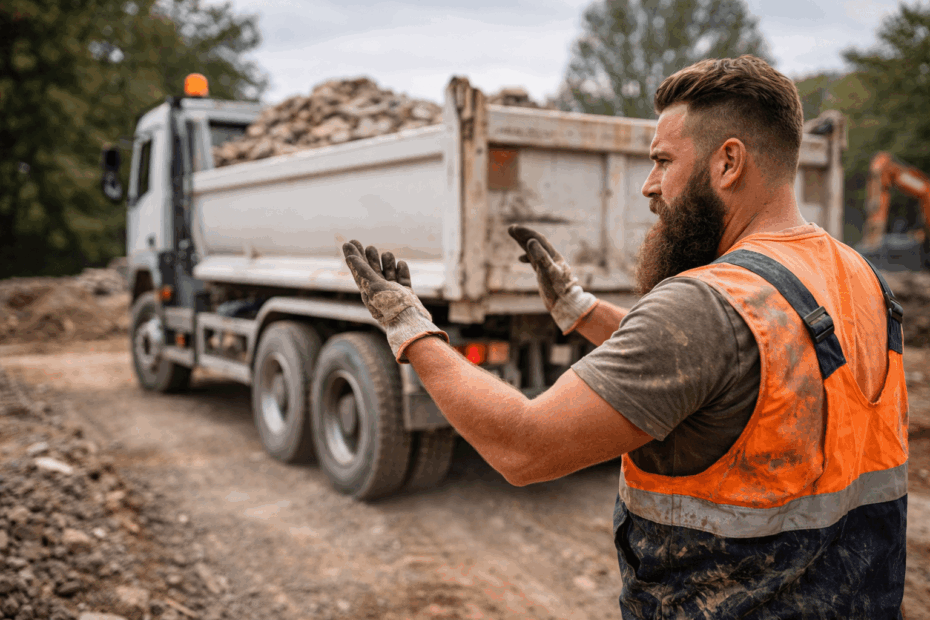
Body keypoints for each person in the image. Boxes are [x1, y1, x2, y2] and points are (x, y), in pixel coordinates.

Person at [341, 55, 908, 619]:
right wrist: (581, 310)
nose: (648, 186)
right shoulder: (861, 277)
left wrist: (411, 328)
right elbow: (741, 374)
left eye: (662, 161)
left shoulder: (703, 305)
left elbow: (523, 447)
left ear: (728, 162)